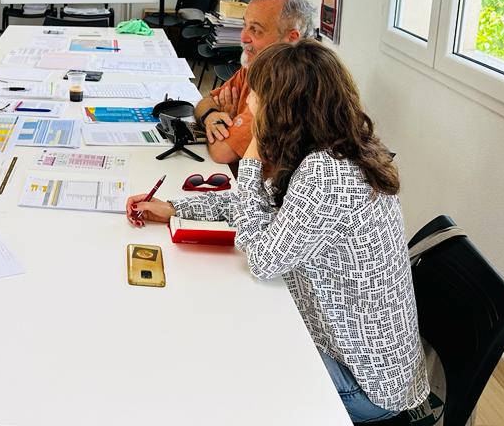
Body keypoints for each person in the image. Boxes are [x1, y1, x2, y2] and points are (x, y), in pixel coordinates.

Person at [126, 40, 429, 422]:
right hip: (352, 354)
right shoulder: (331, 149)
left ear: (284, 108)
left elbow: (262, 258)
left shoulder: (327, 174)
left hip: (366, 385)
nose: (250, 103)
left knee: (229, 364)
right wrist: (175, 208)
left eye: (257, 95)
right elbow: (259, 206)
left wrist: (252, 155)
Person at [194, 0, 314, 172]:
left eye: (256, 30)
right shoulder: (254, 66)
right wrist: (212, 116)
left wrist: (230, 121)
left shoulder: (283, 86)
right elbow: (205, 102)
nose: (243, 37)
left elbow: (221, 152)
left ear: (291, 38)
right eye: (245, 25)